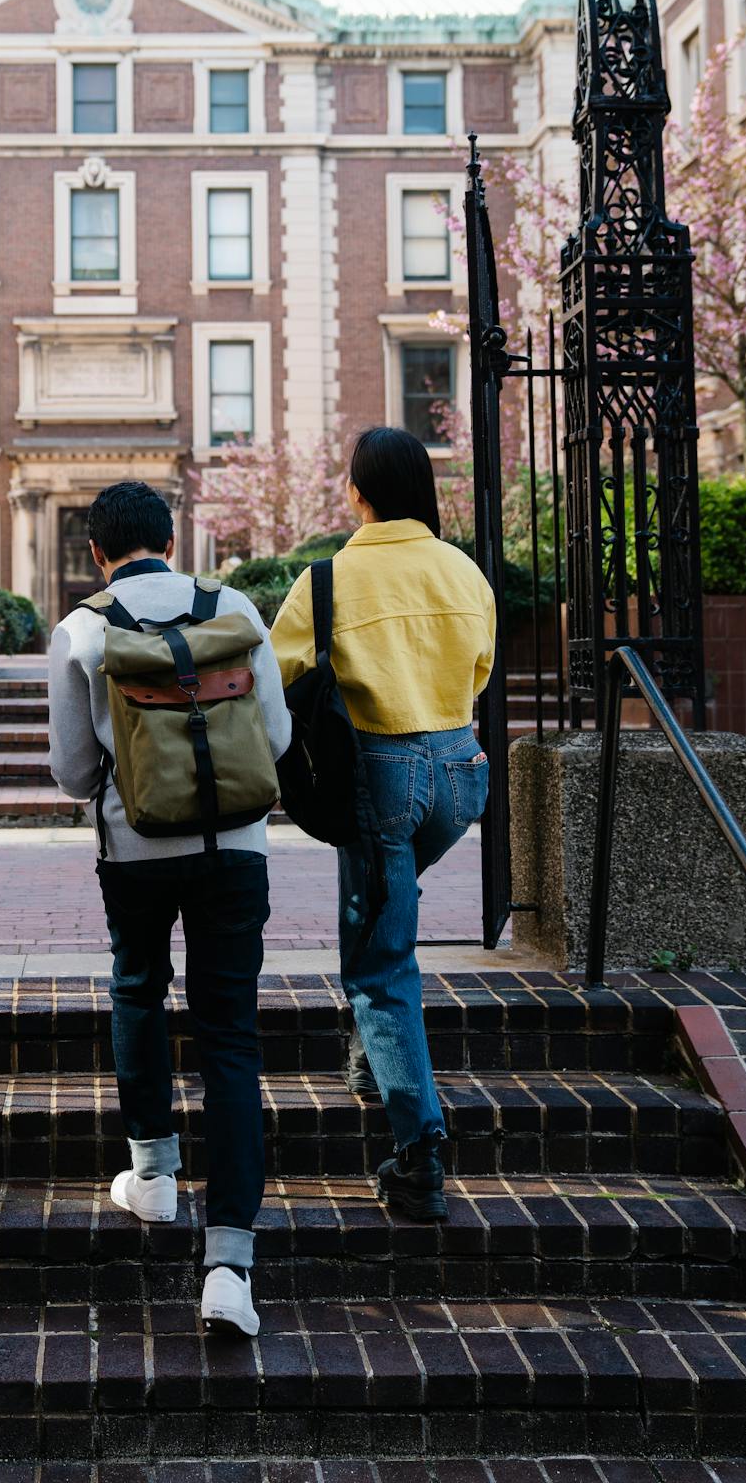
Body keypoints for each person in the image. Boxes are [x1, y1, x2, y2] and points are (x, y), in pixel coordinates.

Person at [48, 480, 291, 1339]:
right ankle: (229, 1265)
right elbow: (279, 739)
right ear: (173, 537)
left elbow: (75, 774)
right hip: (237, 851)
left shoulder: (82, 628)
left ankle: (152, 1176)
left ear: (96, 550)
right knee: (230, 1035)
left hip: (136, 852)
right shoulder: (236, 609)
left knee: (138, 989)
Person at [270, 427, 496, 1222]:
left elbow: (279, 677)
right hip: (463, 774)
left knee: (381, 964)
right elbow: (481, 670)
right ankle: (371, 1058)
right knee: (382, 906)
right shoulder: (463, 569)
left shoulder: (328, 580)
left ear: (357, 493)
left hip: (382, 773)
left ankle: (418, 1151)